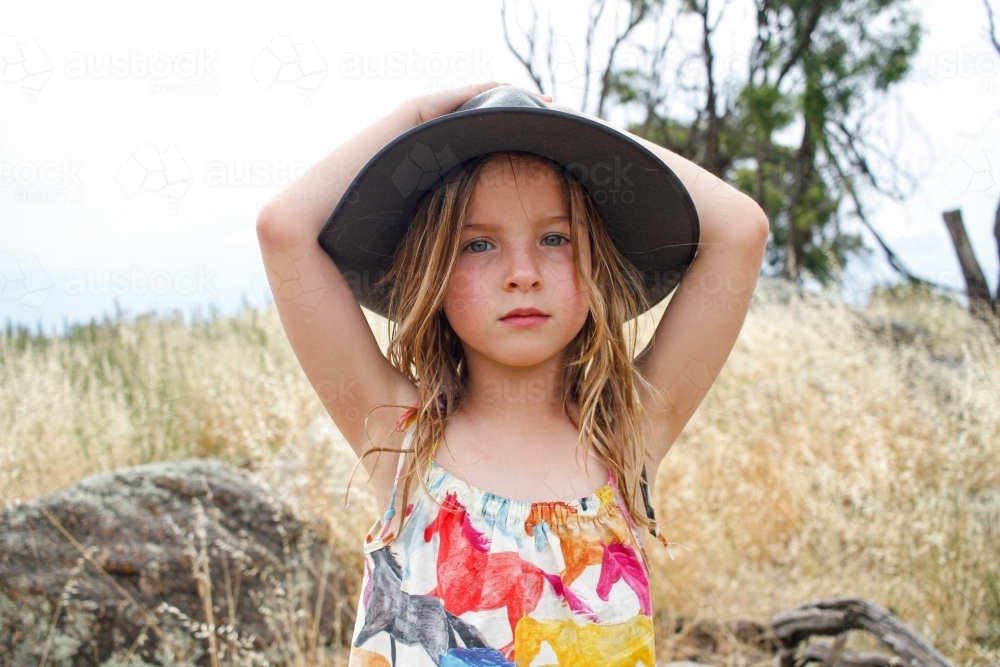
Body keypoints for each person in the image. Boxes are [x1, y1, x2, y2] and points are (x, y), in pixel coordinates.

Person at [256, 82, 769, 666]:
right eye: (479, 245)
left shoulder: (625, 438)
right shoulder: (401, 436)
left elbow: (740, 229)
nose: (522, 273)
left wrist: (576, 130)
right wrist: (420, 117)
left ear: (596, 263)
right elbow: (284, 229)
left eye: (555, 238)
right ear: (434, 273)